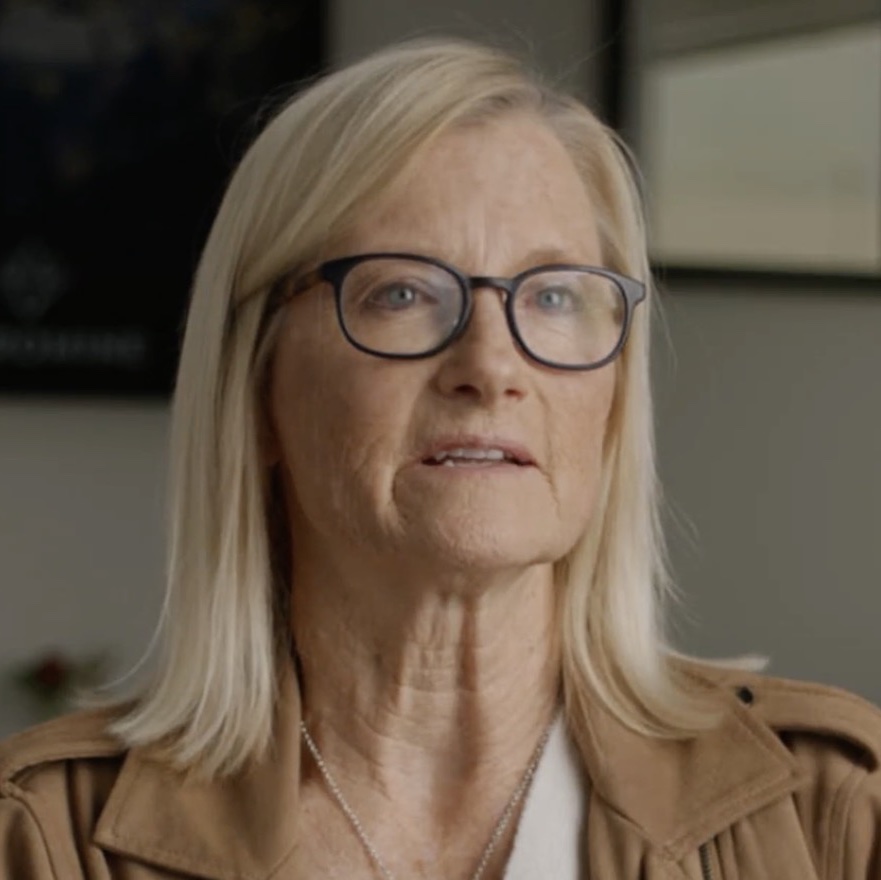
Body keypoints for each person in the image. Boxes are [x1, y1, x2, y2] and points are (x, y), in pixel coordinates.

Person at [1, 38, 879, 880]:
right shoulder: (40, 837)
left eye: (555, 295)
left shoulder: (835, 809)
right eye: (403, 293)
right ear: (256, 387)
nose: (491, 367)